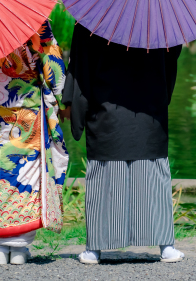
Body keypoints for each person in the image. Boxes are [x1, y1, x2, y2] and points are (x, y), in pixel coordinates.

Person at [61, 22, 185, 264]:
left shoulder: (92, 19)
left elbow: (81, 68)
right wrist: (160, 95)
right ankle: (166, 246)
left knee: (104, 180)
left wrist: (74, 107)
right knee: (154, 177)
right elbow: (170, 61)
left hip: (107, 110)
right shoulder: (160, 16)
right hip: (149, 110)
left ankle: (94, 248)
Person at [0, 20, 68, 265]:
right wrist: (62, 99)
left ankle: (1, 247)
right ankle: (20, 247)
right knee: (26, 170)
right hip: (26, 105)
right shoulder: (31, 14)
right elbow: (52, 62)